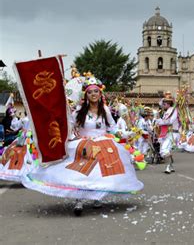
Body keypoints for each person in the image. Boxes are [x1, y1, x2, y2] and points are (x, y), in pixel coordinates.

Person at [22, 76, 144, 216]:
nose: (93, 94)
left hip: (103, 143)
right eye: (90, 92)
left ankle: (96, 197)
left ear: (100, 94)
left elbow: (113, 128)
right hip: (83, 144)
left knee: (99, 173)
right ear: (86, 95)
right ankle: (78, 199)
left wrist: (124, 133)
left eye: (96, 91)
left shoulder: (105, 110)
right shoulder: (79, 111)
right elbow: (69, 127)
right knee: (80, 171)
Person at [155, 95, 179, 174]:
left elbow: (170, 121)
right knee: (166, 150)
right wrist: (159, 120)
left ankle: (168, 167)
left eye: (164, 104)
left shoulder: (173, 110)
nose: (163, 106)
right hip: (167, 133)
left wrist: (160, 121)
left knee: (164, 151)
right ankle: (171, 166)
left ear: (169, 104)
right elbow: (163, 122)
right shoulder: (167, 112)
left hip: (172, 133)